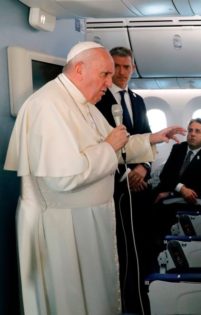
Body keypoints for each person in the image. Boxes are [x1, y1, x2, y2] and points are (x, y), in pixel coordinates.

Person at [3, 41, 185, 315]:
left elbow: (116, 143)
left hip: (86, 221)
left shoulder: (84, 104)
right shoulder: (47, 106)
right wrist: (109, 146)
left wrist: (152, 137)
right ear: (79, 69)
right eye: (106, 75)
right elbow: (62, 178)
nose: (110, 83)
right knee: (70, 302)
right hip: (63, 228)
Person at [95, 46, 153, 313]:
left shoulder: (138, 100)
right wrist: (125, 174)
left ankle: (141, 292)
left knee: (140, 243)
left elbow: (148, 138)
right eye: (116, 67)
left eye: (126, 67)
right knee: (120, 248)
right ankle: (122, 301)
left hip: (139, 185)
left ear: (133, 68)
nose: (121, 72)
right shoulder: (99, 101)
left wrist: (143, 168)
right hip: (116, 187)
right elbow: (99, 144)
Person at [151, 118, 201, 245]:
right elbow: (165, 175)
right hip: (166, 189)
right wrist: (180, 188)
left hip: (181, 201)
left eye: (197, 131)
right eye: (190, 130)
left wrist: (171, 193)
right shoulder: (178, 148)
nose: (192, 134)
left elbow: (198, 190)